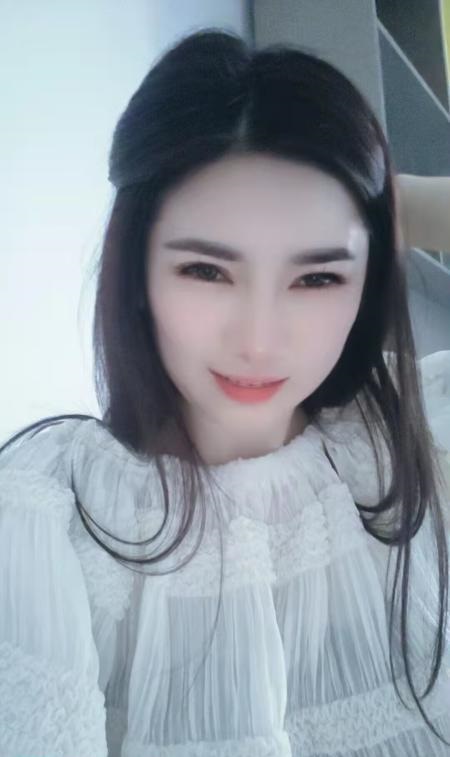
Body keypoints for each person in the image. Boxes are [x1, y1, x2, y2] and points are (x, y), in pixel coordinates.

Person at [0, 28, 449, 757]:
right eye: (206, 271)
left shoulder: (413, 432)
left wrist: (398, 201)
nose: (259, 341)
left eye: (318, 277)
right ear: (137, 269)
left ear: (368, 284)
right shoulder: (48, 516)